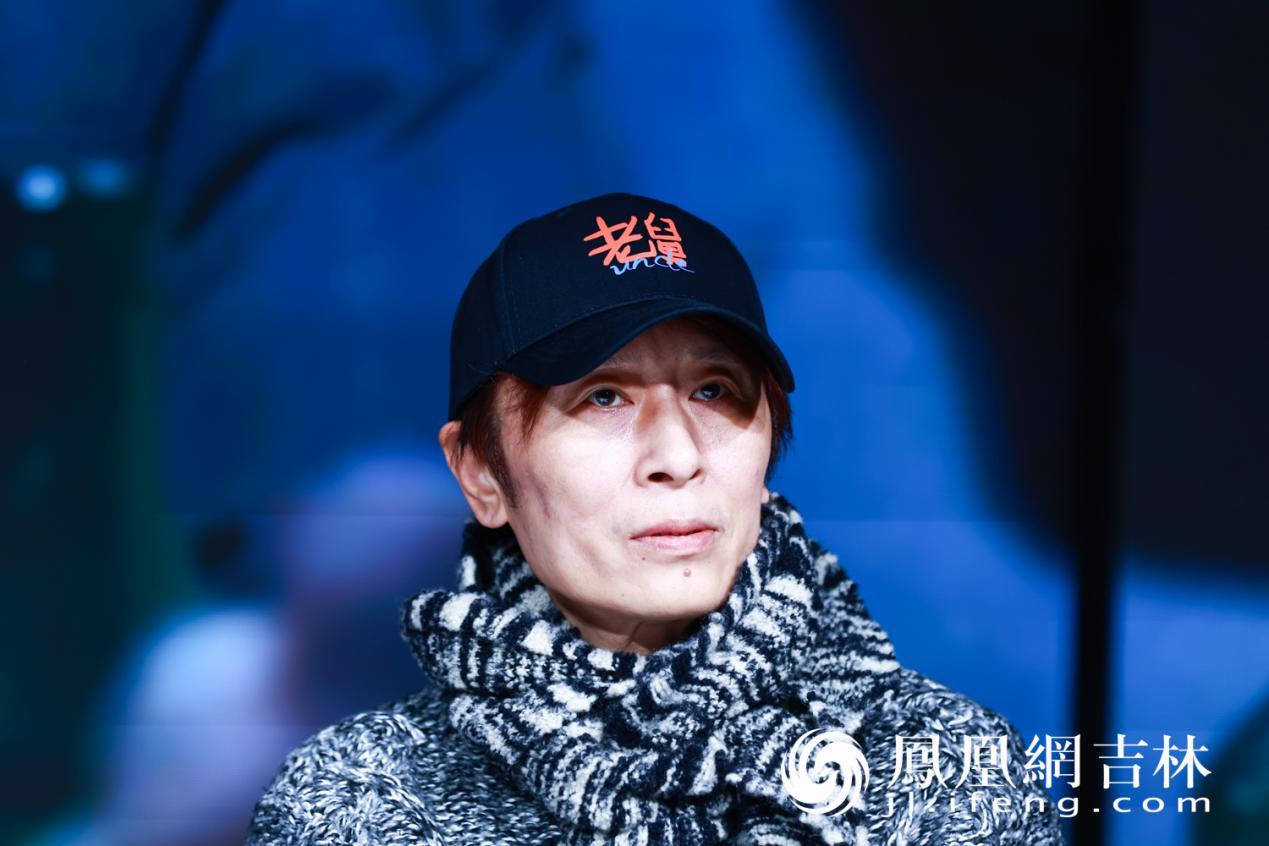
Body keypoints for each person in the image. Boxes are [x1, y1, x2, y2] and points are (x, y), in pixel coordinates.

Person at [246, 193, 1065, 845]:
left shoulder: (948, 773)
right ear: (480, 472)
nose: (676, 454)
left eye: (714, 390)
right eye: (602, 397)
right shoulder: (360, 804)